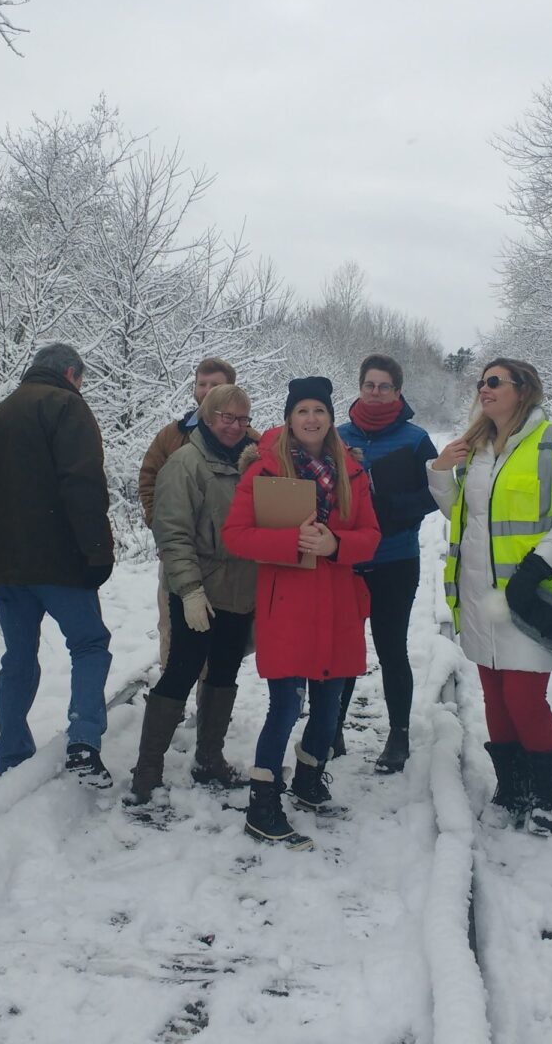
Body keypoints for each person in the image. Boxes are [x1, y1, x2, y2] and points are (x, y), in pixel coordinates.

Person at [428, 359, 552, 836]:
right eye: (481, 382)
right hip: (480, 596)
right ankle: (511, 786)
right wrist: (441, 471)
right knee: (496, 698)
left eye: (495, 381)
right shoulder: (476, 448)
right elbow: (461, 513)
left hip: (529, 596)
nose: (485, 388)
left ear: (524, 390)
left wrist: (538, 566)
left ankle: (547, 797)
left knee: (525, 699)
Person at [222, 377, 381, 850]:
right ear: (289, 418)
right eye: (302, 411)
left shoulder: (351, 470)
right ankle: (262, 803)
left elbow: (373, 535)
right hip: (288, 602)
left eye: (319, 411)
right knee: (287, 703)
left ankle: (310, 780)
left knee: (330, 702)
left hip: (337, 601)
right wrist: (290, 541)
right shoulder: (267, 469)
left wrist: (337, 544)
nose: (311, 419)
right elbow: (236, 534)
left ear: (330, 418)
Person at [0, 343, 117, 787]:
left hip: (6, 564)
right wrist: (97, 551)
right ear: (72, 373)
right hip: (60, 562)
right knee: (90, 644)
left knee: (18, 657)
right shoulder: (67, 407)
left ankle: (12, 754)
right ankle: (84, 742)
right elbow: (83, 483)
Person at [129, 384, 258, 802]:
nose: (236, 426)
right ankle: (147, 768)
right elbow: (173, 533)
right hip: (199, 588)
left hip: (241, 588)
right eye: (227, 417)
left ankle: (209, 758)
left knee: (224, 672)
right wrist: (188, 591)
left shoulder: (253, 464)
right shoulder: (185, 464)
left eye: (243, 419)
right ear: (206, 416)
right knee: (182, 672)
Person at [335, 354, 440, 773]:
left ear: (398, 391)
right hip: (345, 560)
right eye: (369, 385)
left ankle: (398, 737)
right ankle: (331, 727)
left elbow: (435, 494)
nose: (375, 393)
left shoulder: (416, 439)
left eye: (384, 387)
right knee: (341, 649)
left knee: (391, 647)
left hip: (396, 558)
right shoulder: (336, 435)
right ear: (359, 387)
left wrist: (389, 508)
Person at [139, 358, 238, 668]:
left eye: (216, 384)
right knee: (171, 627)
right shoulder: (172, 435)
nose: (207, 391)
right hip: (178, 556)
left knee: (218, 636)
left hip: (225, 562)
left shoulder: (245, 437)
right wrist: (162, 528)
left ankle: (208, 710)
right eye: (202, 384)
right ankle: (172, 705)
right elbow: (149, 478)